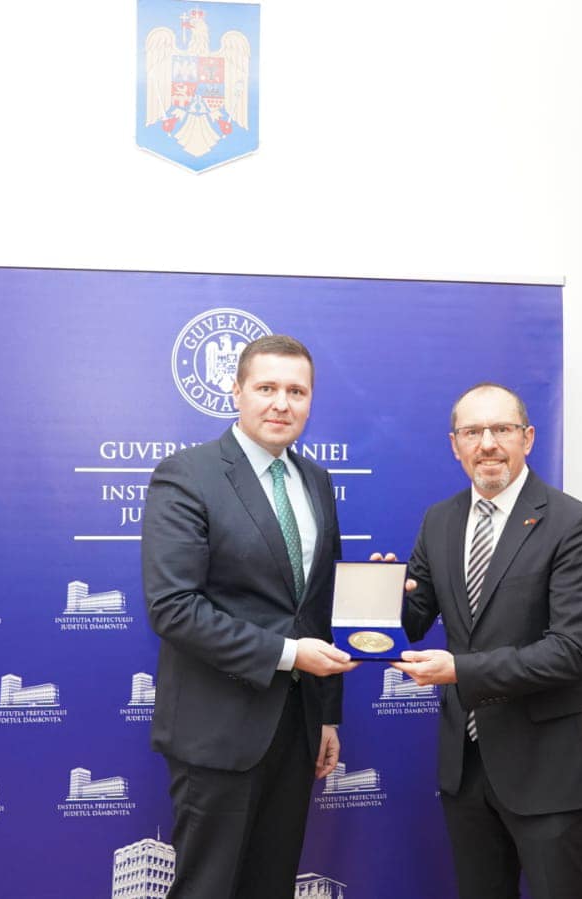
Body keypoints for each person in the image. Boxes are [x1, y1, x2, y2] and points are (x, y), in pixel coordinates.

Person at [141, 334, 357, 899]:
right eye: (266, 388)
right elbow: (173, 607)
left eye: (296, 392)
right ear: (236, 392)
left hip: (296, 730)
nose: (281, 403)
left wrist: (326, 716)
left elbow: (315, 607)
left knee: (272, 885)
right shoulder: (187, 475)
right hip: (218, 731)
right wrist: (289, 655)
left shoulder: (316, 481)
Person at [391, 381, 582, 899]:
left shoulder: (574, 524)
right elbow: (414, 622)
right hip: (465, 768)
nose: (487, 443)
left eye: (501, 429)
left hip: (547, 769)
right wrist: (385, 599)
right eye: (472, 432)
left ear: (527, 438)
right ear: (455, 445)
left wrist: (459, 671)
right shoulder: (439, 520)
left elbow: (571, 653)